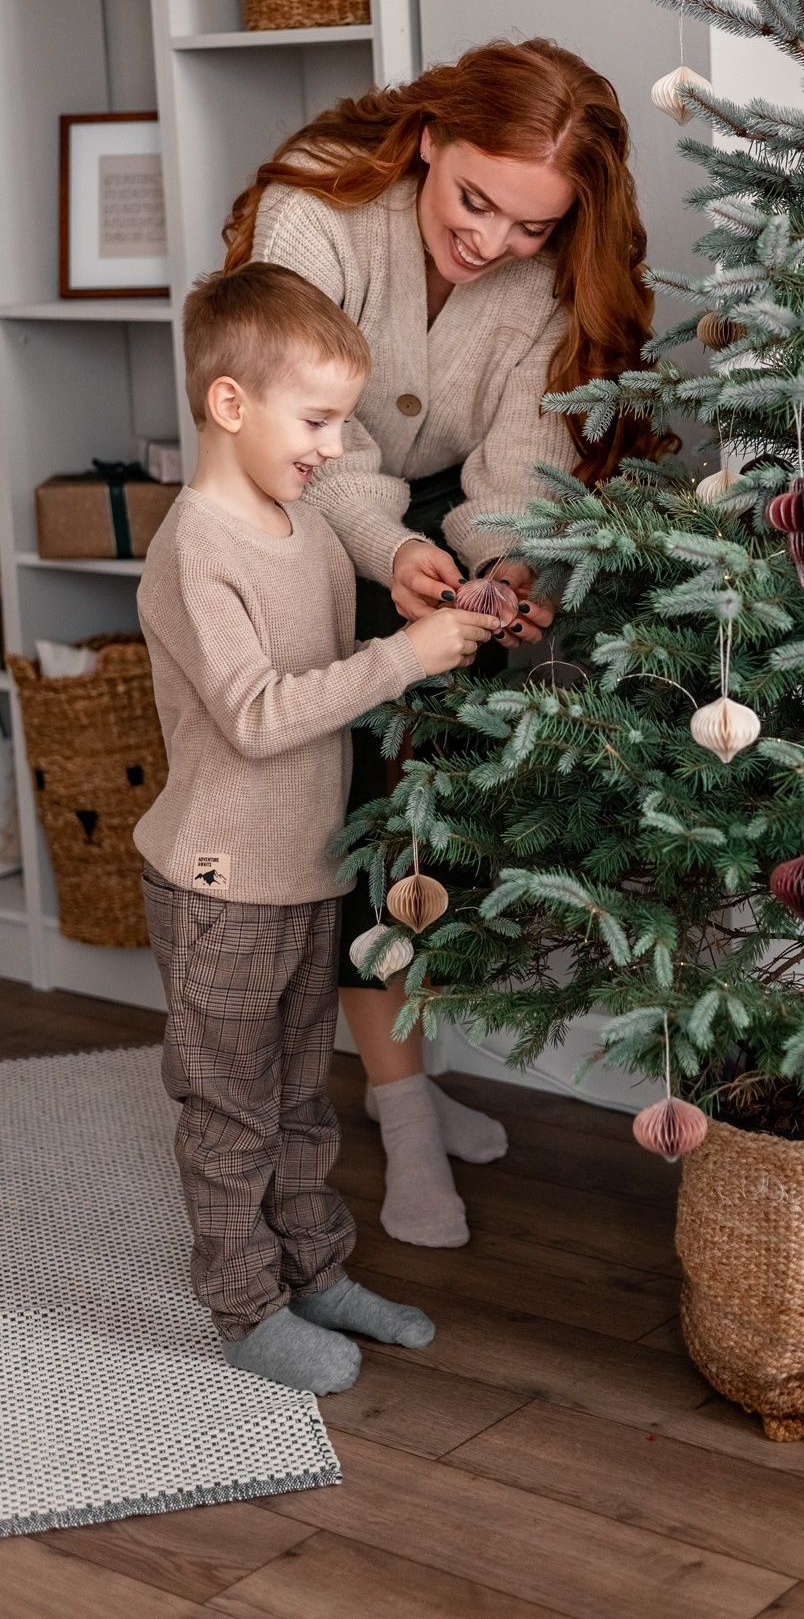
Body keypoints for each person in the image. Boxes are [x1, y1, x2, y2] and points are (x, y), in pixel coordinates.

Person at [222, 38, 667, 1247]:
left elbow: (519, 464)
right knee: (361, 802)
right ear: (428, 136)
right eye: (475, 201)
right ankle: (403, 1107)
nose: (490, 243)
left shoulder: (545, 272)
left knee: (445, 804)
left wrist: (508, 567)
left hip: (433, 525)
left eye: (529, 227)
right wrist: (392, 560)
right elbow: (305, 434)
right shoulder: (311, 210)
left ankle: (406, 1072)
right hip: (291, 507)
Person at [134, 263, 495, 1393]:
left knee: (300, 1097)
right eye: (319, 420)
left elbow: (335, 666)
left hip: (301, 870)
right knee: (230, 1109)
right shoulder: (197, 551)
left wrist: (422, 608)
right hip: (219, 880)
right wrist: (401, 659)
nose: (337, 448)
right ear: (230, 404)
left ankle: (313, 1268)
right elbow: (255, 716)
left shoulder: (299, 527)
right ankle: (244, 1306)